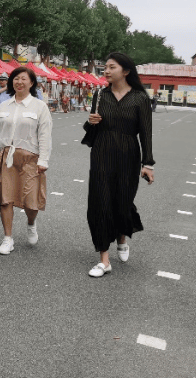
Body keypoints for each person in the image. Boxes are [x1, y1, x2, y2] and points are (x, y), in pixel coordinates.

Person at [84, 52, 154, 278]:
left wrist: (148, 163)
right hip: (102, 152)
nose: (105, 70)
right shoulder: (100, 95)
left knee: (122, 201)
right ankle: (104, 260)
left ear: (125, 71)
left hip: (128, 155)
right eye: (105, 67)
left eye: (111, 67)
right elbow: (91, 130)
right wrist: (90, 122)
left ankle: (123, 236)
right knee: (100, 201)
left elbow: (146, 133)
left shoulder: (140, 98)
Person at [0, 67, 52, 256]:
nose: (19, 82)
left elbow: (45, 136)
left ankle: (31, 223)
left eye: (23, 79)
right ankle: (8, 238)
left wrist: (44, 160)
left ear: (31, 83)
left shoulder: (40, 107)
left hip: (31, 159)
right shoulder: (4, 106)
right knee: (5, 198)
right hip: (6, 157)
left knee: (31, 201)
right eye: (16, 78)